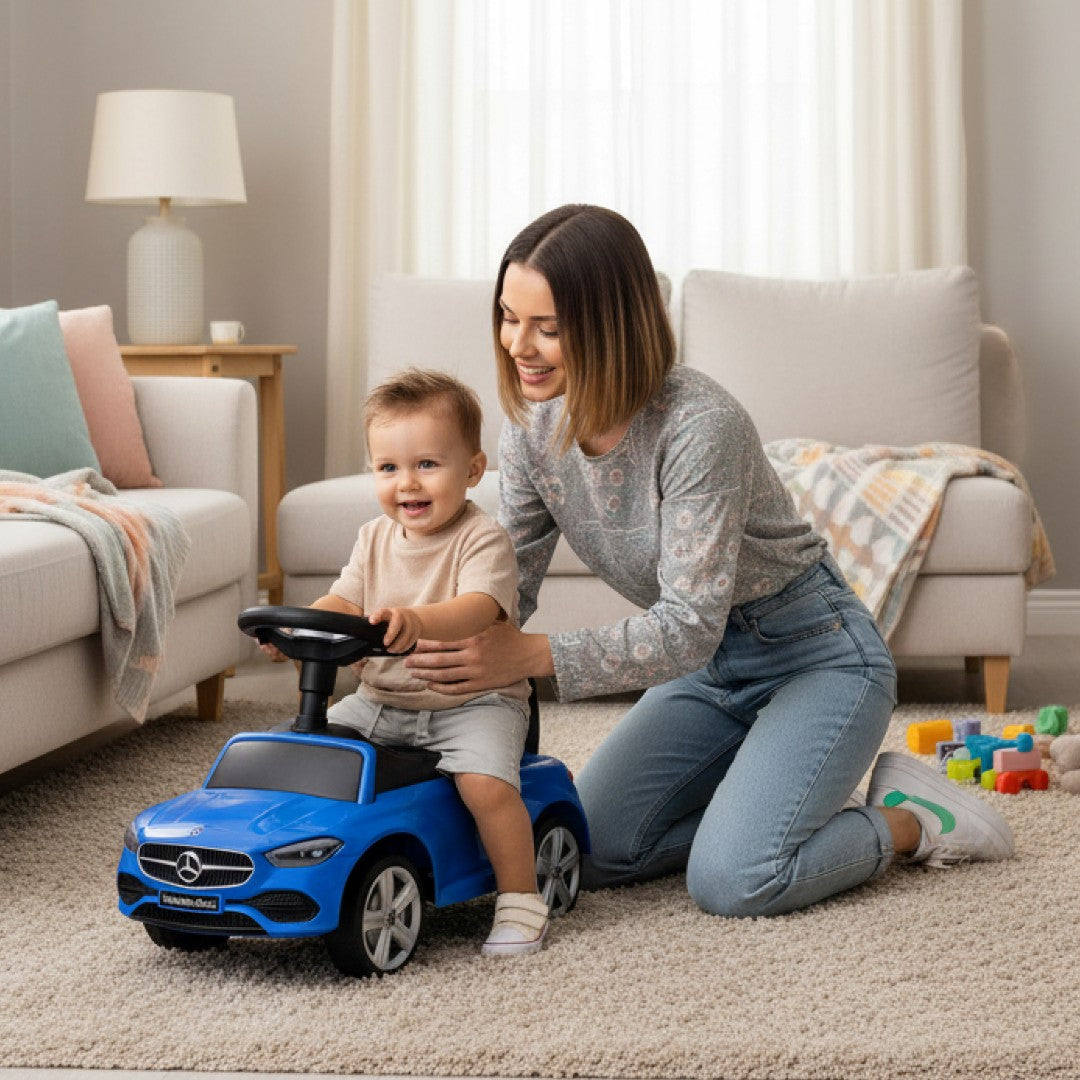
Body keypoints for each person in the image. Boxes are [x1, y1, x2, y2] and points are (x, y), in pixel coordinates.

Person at [403, 204, 1016, 918]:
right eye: (509, 318)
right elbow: (503, 580)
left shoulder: (700, 427)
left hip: (817, 658)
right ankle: (778, 803)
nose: (519, 345)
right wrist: (411, 630)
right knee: (589, 847)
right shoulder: (532, 430)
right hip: (709, 671)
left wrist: (528, 656)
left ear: (612, 325)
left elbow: (687, 626)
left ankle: (910, 820)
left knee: (735, 880)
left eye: (549, 327)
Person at [262, 369, 548, 954]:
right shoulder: (373, 537)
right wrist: (301, 623)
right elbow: (344, 601)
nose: (407, 484)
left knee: (485, 786)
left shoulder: (483, 539)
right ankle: (299, 872)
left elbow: (478, 608)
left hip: (473, 703)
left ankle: (521, 899)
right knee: (304, 754)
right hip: (381, 701)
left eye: (427, 465)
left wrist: (418, 622)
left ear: (473, 470)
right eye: (388, 468)